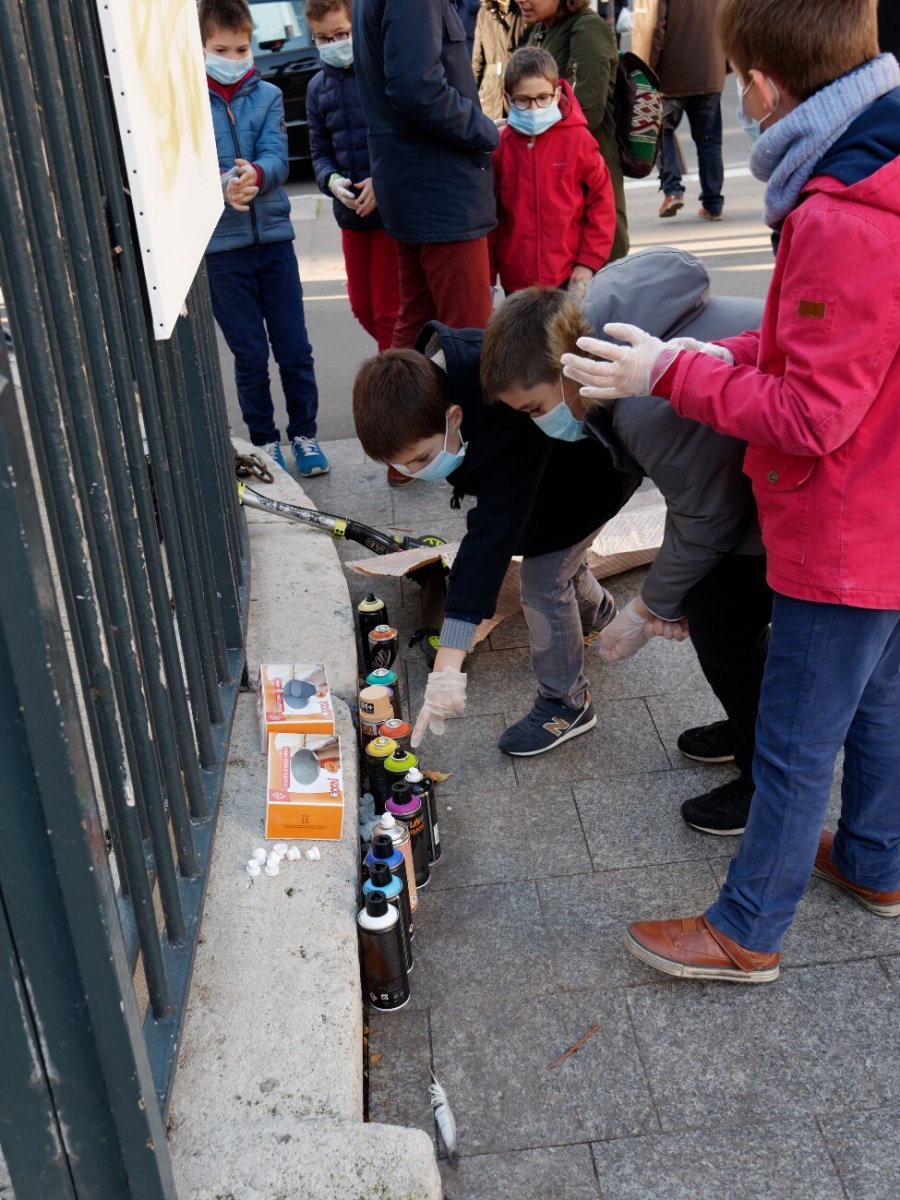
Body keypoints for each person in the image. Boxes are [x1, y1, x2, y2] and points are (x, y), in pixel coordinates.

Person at [562, 0, 900, 983]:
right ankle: (876, 862)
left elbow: (807, 414)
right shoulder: (870, 167)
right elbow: (820, 350)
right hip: (885, 503)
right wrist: (700, 352)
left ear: (762, 80)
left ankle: (748, 928)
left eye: (744, 74)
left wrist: (670, 375)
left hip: (843, 525)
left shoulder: (839, 209)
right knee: (878, 705)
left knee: (794, 740)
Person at [480, 252, 770, 835]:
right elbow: (695, 495)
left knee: (727, 629)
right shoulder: (618, 329)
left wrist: (648, 608)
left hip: (828, 482)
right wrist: (671, 591)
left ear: (566, 367)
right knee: (717, 610)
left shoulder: (643, 402)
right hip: (761, 476)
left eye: (538, 407)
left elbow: (706, 517)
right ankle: (750, 730)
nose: (543, 423)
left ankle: (766, 780)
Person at [351, 326, 633, 756]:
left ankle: (567, 702)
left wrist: (449, 663)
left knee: (542, 578)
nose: (415, 473)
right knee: (549, 547)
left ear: (455, 416)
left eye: (422, 459)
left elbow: (489, 540)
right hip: (553, 470)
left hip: (598, 469)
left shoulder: (502, 422)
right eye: (400, 466)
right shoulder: (426, 385)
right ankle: (598, 613)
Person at [199, 0, 328, 476]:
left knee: (294, 347)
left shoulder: (268, 94)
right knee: (249, 354)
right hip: (222, 250)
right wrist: (220, 184)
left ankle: (305, 434)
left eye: (241, 47)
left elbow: (277, 154)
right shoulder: (188, 102)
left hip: (273, 239)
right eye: (220, 49)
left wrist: (256, 173)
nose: (233, 57)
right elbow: (184, 168)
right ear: (200, 49)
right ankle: (264, 439)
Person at [351, 0, 498, 352]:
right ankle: (412, 407)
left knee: (419, 323)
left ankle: (396, 407)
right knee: (468, 337)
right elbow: (418, 88)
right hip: (440, 187)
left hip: (418, 180)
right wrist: (485, 131)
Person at [305, 0, 400, 352]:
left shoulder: (380, 71)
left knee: (389, 310)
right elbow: (320, 152)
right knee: (362, 308)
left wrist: (382, 178)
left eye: (341, 34)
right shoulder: (317, 88)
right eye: (323, 38)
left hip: (388, 211)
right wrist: (331, 181)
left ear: (356, 28)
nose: (334, 44)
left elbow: (399, 136)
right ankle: (410, 359)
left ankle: (394, 389)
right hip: (351, 215)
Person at [491, 48, 616, 297]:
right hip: (516, 279)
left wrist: (588, 261)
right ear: (508, 100)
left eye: (543, 98)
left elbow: (602, 203)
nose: (535, 107)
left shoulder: (578, 140)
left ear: (557, 94)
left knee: (564, 336)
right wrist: (488, 274)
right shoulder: (500, 146)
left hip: (569, 276)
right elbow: (490, 216)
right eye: (523, 100)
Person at [522, 0, 629, 261]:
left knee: (595, 274)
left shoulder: (588, 28)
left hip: (587, 175)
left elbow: (585, 109)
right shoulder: (539, 30)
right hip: (554, 179)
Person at [632, 0, 727, 220]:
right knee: (709, 139)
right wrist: (725, 65)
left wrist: (648, 70)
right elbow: (727, 22)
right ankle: (713, 203)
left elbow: (656, 27)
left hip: (671, 74)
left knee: (660, 132)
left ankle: (673, 190)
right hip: (710, 71)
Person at [472, 0, 527, 121]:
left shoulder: (523, 9)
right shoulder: (484, 13)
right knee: (491, 136)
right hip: (490, 93)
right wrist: (471, 95)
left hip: (518, 88)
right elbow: (477, 60)